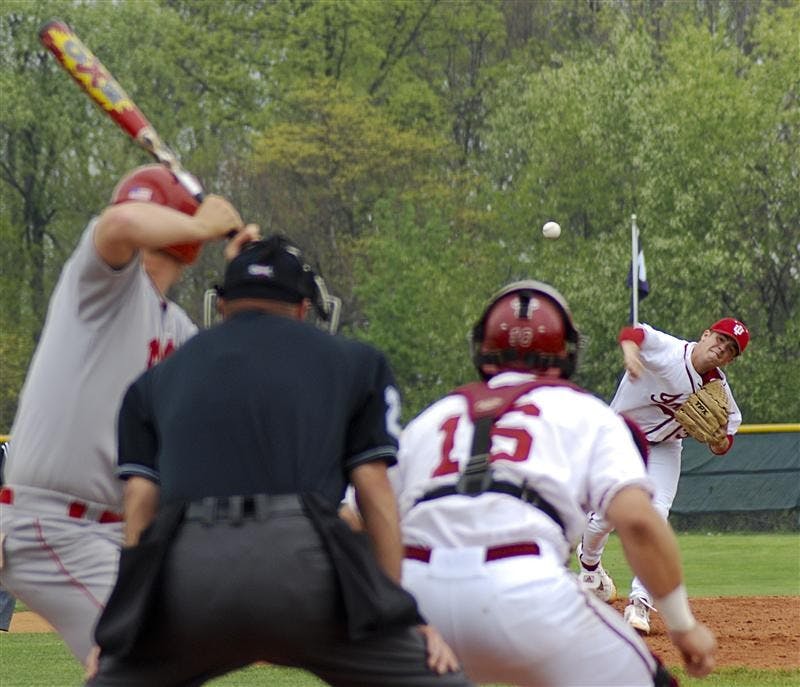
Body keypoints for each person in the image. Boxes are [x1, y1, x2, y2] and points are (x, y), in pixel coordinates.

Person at [87, 235, 473, 687]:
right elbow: (373, 492)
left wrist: (121, 631)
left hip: (190, 576)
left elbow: (139, 505)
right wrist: (401, 615)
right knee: (440, 681)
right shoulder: (355, 362)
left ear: (224, 304)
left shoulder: (157, 378)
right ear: (304, 307)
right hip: (307, 574)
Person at [384, 280, 716, 686]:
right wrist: (683, 627)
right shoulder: (586, 413)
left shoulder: (432, 419)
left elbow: (358, 517)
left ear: (481, 347)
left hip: (415, 597)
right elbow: (641, 524)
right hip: (524, 589)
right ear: (567, 351)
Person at [0, 164, 251, 667]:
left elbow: (240, 376)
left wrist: (248, 269)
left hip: (110, 534)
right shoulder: (103, 283)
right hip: (52, 521)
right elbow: (118, 227)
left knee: (169, 652)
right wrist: (202, 225)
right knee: (136, 662)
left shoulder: (175, 328)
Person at [578, 316, 749, 633]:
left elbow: (725, 440)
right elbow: (633, 332)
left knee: (653, 521)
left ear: (731, 360)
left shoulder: (718, 390)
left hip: (665, 449)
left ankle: (640, 603)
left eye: (730, 349)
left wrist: (718, 440)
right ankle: (589, 565)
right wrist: (630, 353)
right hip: (622, 437)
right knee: (606, 517)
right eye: (720, 339)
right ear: (705, 333)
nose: (721, 348)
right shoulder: (669, 350)